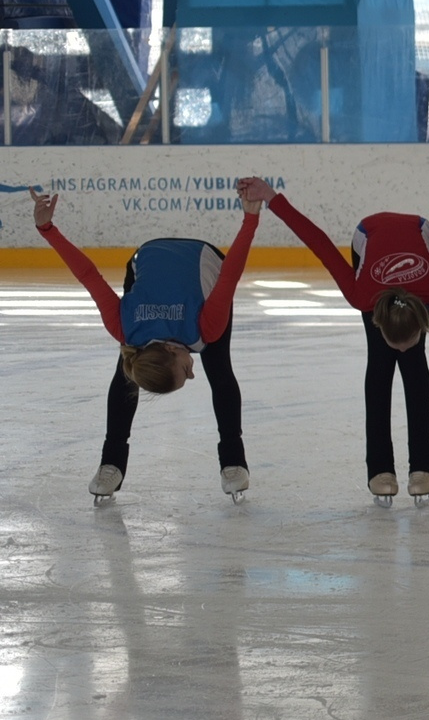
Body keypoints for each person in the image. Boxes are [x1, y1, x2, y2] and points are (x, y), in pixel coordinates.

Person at [29, 178, 264, 503]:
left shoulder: (190, 326)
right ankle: (111, 464)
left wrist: (251, 217)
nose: (192, 372)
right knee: (129, 373)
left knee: (219, 371)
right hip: (153, 262)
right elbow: (88, 275)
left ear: (171, 349)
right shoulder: (133, 331)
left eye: (185, 371)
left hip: (200, 257)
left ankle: (234, 462)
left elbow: (229, 274)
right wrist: (47, 229)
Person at [262, 168, 429, 506]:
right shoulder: (362, 294)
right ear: (379, 322)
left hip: (418, 232)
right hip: (368, 233)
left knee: (413, 362)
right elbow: (319, 242)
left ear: (422, 322)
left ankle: (423, 467)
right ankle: (380, 469)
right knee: (381, 363)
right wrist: (272, 199)